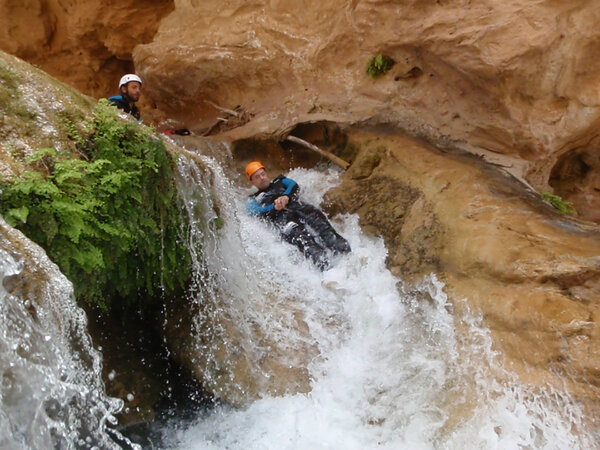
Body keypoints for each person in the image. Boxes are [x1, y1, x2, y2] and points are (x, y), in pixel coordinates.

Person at [245, 161, 350, 270]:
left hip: (299, 208)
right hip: (283, 220)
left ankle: (345, 254)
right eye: (257, 177)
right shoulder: (253, 199)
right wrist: (273, 207)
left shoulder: (280, 181)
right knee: (304, 241)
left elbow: (293, 185)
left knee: (322, 226)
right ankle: (325, 267)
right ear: (252, 182)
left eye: (262, 174)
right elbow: (254, 212)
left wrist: (286, 196)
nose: (262, 178)